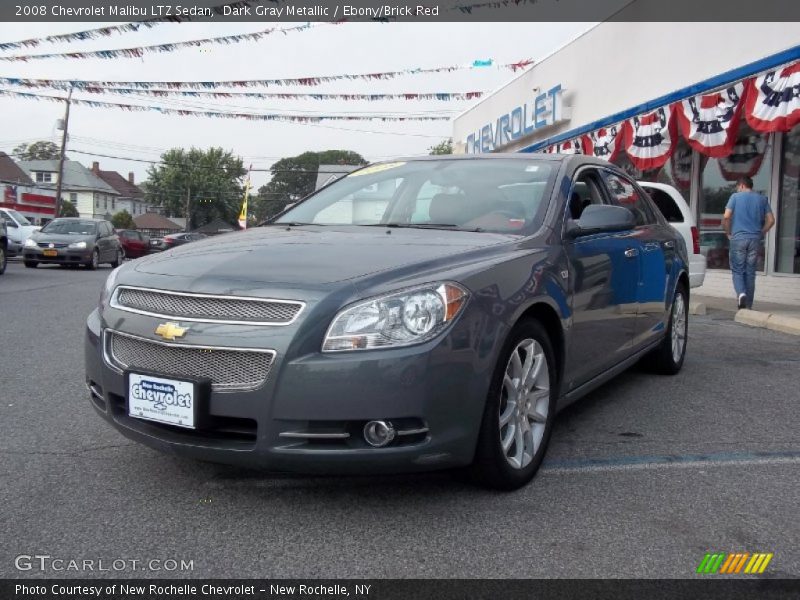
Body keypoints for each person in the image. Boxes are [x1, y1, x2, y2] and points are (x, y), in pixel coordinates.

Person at [722, 176, 775, 309]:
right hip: (755, 239)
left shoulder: (735, 197)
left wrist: (728, 233)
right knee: (750, 272)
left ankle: (741, 294)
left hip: (738, 238)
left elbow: (726, 216)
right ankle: (748, 306)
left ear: (741, 186)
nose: (737, 190)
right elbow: (771, 220)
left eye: (737, 187)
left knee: (738, 270)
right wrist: (762, 232)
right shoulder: (762, 199)